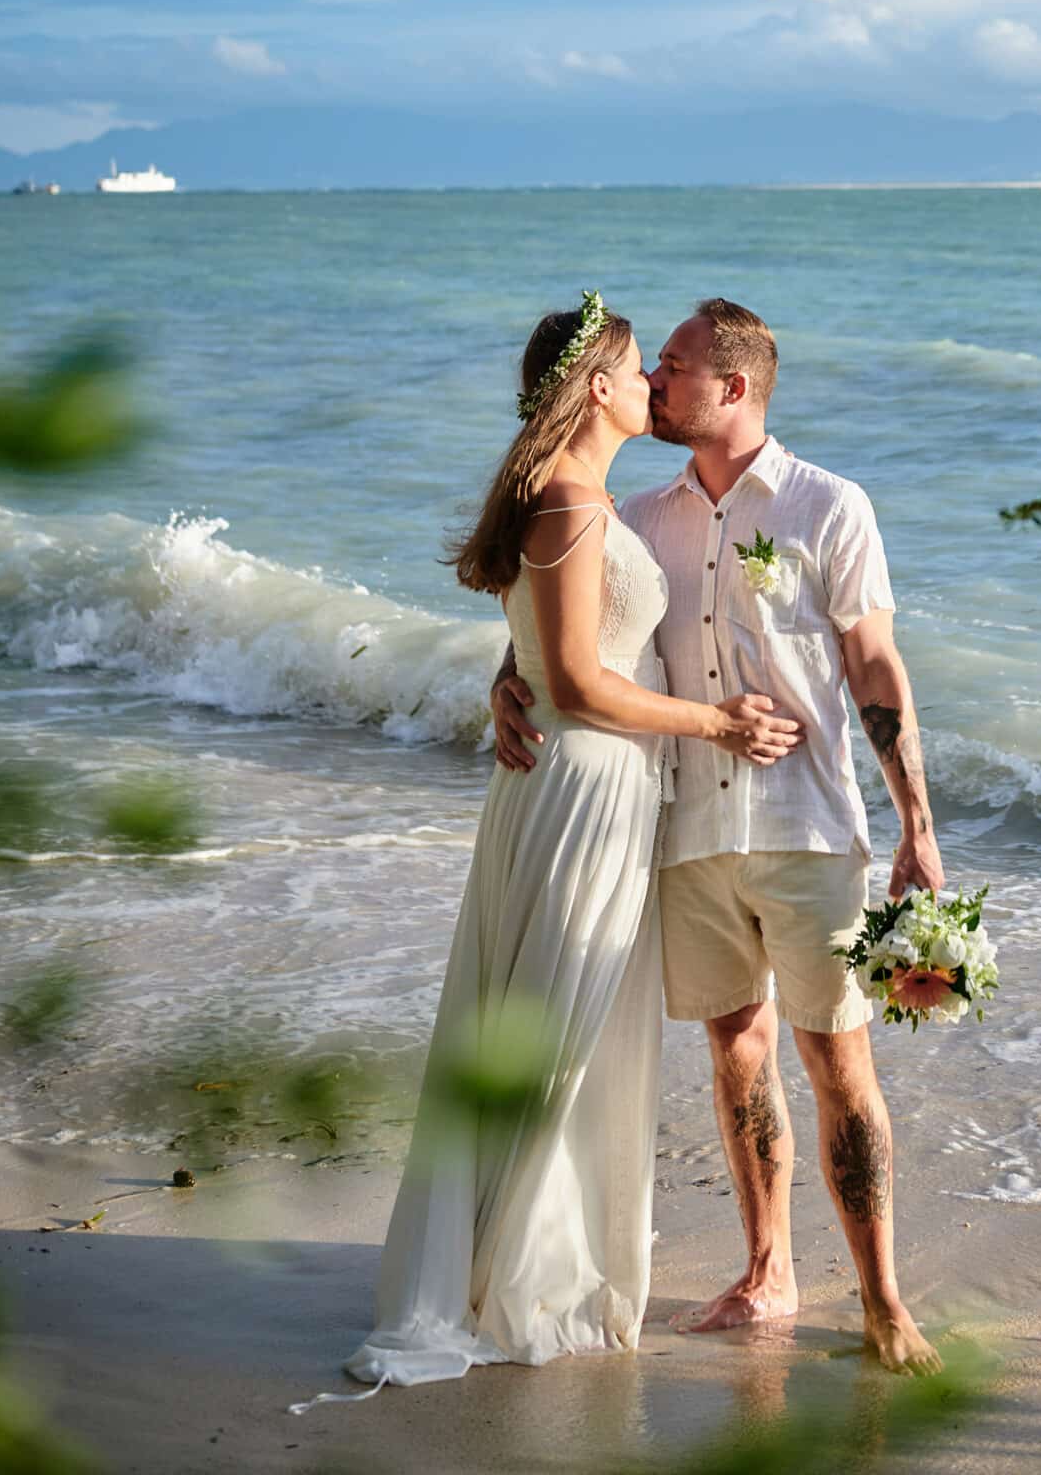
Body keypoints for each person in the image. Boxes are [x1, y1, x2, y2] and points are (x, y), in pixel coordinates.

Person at [345, 297, 802, 1388]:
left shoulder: (580, 502)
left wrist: (514, 682)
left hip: (583, 784)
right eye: (643, 368)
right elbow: (589, 681)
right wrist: (720, 721)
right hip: (585, 791)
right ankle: (511, 1265)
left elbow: (551, 657)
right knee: (554, 1023)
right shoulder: (570, 508)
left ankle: (520, 1248)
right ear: (596, 387)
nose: (655, 384)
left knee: (560, 1020)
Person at [492, 297, 944, 1376]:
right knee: (734, 1055)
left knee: (839, 1063)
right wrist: (506, 683)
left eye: (676, 367)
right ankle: (767, 1268)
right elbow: (574, 635)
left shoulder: (831, 506)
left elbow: (876, 668)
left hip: (806, 827)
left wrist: (916, 823)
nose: (656, 383)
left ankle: (885, 1299)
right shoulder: (638, 514)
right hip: (683, 828)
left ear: (732, 388)